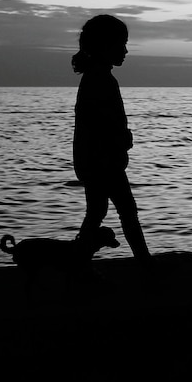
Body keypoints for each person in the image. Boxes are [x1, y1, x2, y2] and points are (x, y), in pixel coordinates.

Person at [71, 15, 152, 266]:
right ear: (106, 45)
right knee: (126, 212)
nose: (126, 50)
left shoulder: (98, 77)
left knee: (98, 212)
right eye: (122, 44)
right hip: (103, 163)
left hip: (96, 162)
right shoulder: (100, 79)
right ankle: (144, 263)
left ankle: (79, 262)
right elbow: (101, 124)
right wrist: (123, 139)